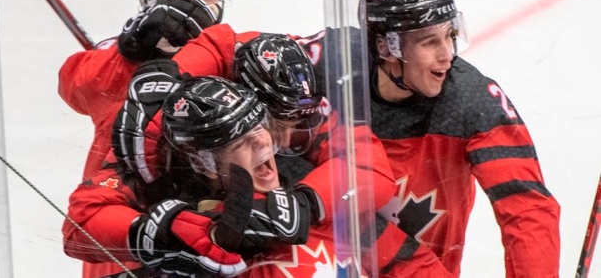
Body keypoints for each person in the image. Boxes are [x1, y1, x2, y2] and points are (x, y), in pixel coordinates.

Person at [65, 74, 455, 278]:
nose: (265, 149)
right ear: (202, 160)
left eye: (260, 131)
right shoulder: (162, 189)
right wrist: (169, 232)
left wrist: (306, 204)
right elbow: (80, 225)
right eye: (242, 142)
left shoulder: (302, 177)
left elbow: (410, 263)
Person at [352, 0, 560, 277]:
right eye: (429, 42)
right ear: (386, 47)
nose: (447, 55)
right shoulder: (336, 70)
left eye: (449, 36)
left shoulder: (474, 101)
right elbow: (258, 58)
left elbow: (527, 208)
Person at [58, 0, 226, 182]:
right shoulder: (124, 51)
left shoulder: (227, 47)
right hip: (126, 200)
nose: (197, 7)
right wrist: (133, 55)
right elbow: (75, 84)